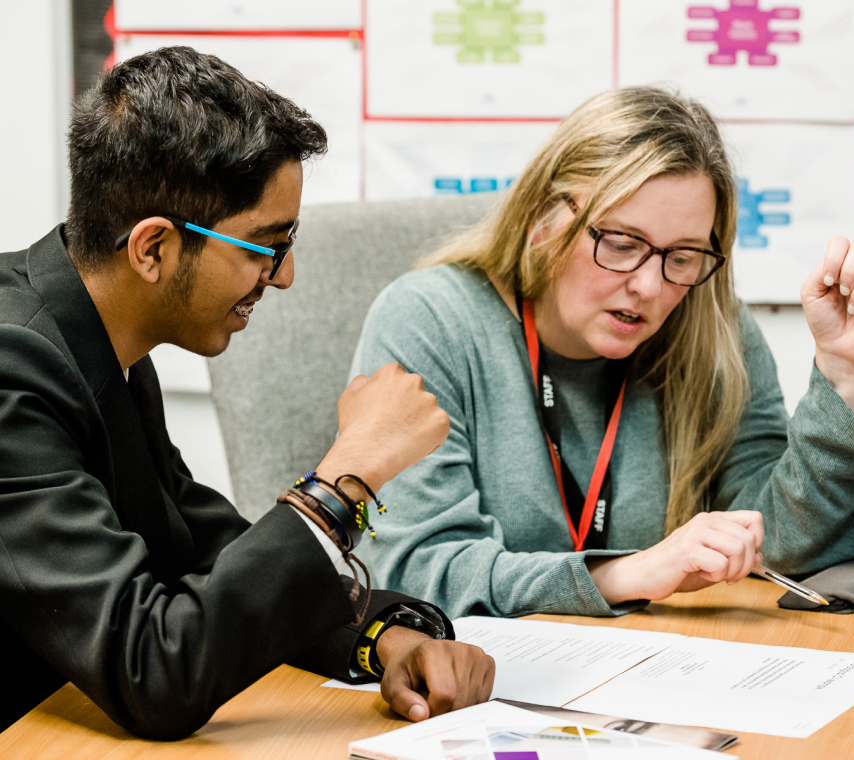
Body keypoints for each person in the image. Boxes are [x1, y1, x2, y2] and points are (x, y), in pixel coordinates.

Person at [0, 47, 493, 739]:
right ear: (153, 249)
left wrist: (383, 636)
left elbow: (198, 551)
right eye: (266, 245)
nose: (284, 275)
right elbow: (154, 668)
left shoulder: (101, 338)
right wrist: (344, 480)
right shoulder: (12, 368)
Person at [350, 86, 854, 619]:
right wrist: (624, 575)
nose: (649, 286)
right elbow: (418, 570)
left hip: (648, 674)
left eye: (682, 256)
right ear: (546, 217)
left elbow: (782, 543)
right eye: (621, 244)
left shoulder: (709, 325)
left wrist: (844, 372)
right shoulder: (430, 320)